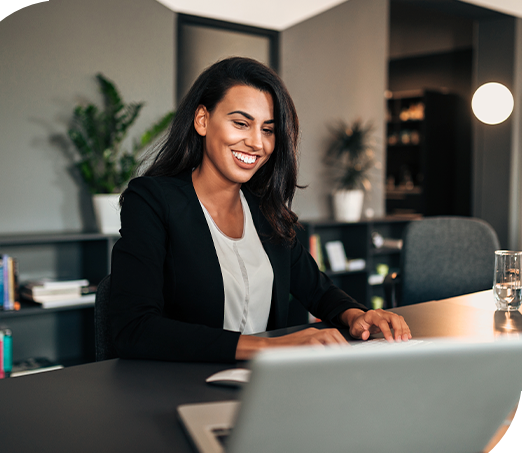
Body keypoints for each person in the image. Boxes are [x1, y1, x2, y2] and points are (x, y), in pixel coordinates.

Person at [108, 57, 411, 363]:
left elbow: (317, 289)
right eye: (241, 123)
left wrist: (356, 315)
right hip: (180, 387)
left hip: (263, 387)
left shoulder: (266, 210)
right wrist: (271, 348)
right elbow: (133, 328)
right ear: (202, 120)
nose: (257, 143)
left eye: (268, 130)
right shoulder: (151, 200)